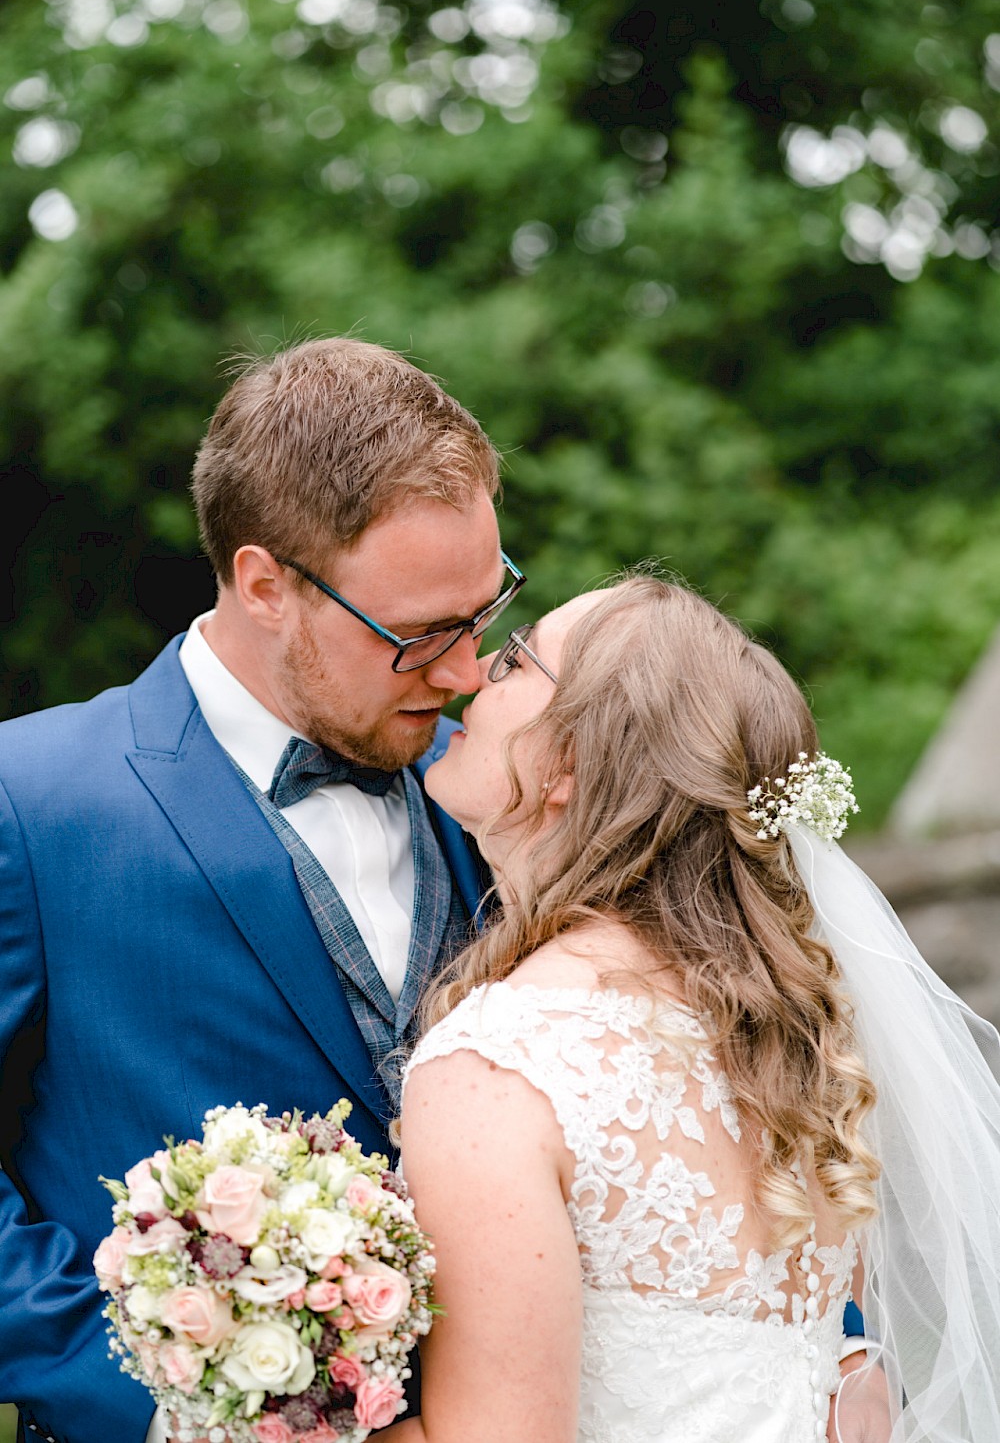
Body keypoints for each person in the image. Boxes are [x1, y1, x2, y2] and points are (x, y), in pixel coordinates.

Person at [0, 337, 518, 1443]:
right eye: (423, 633)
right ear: (265, 585)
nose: (471, 670)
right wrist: (184, 1392)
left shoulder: (504, 781)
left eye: (488, 609)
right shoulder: (28, 802)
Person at [381, 577, 1000, 1443]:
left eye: (516, 659)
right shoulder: (788, 1039)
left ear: (567, 765)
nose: (476, 668)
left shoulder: (500, 1065)